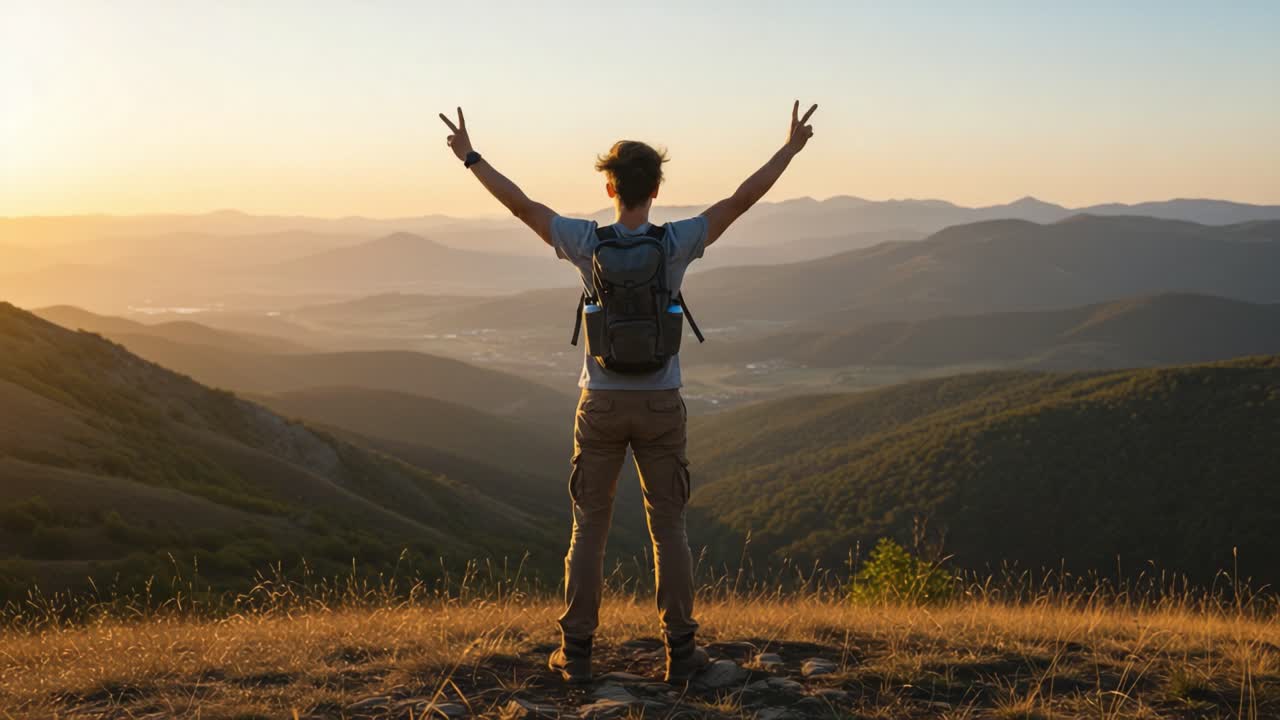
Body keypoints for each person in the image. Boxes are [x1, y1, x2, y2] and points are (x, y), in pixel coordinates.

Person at [438, 101, 818, 683]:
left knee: (588, 526)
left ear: (610, 186)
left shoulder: (585, 242)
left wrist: (471, 157)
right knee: (669, 529)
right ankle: (683, 653)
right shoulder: (676, 243)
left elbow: (521, 206)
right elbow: (742, 200)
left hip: (601, 404)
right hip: (663, 404)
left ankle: (578, 653)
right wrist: (789, 150)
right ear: (657, 188)